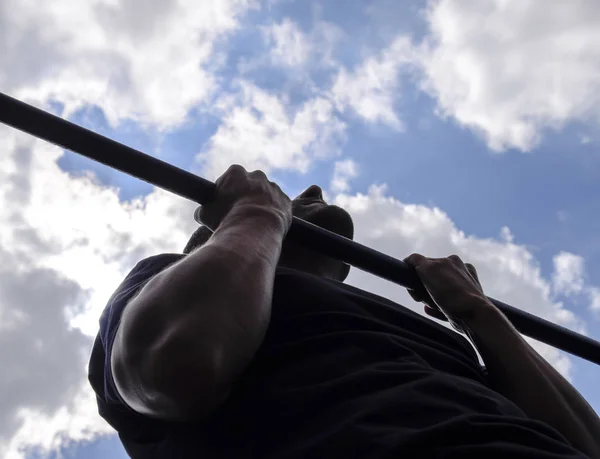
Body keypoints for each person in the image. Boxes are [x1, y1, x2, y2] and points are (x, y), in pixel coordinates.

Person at [88, 165, 600, 459]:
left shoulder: (437, 338)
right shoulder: (159, 287)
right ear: (204, 242)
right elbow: (175, 367)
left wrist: (478, 313)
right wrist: (256, 214)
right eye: (291, 200)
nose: (309, 193)